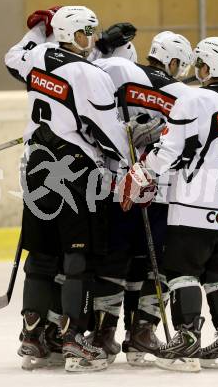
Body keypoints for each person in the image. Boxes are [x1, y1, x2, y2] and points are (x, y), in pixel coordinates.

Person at [119, 37, 218, 372]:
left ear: (206, 67)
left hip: (196, 207)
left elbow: (171, 149)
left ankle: (186, 341)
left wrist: (141, 172)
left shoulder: (194, 98)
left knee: (182, 272)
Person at [4, 5, 131, 372]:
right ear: (69, 34)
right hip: (75, 171)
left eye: (92, 31)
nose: (90, 39)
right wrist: (127, 167)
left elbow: (13, 58)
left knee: (42, 254)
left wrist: (39, 29)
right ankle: (74, 340)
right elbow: (109, 134)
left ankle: (33, 337)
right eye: (84, 32)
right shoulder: (87, 73)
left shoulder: (37, 55)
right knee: (79, 256)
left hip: (37, 165)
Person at [89, 31, 193, 366]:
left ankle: (103, 334)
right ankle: (142, 333)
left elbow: (85, 80)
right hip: (159, 187)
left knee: (114, 257)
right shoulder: (183, 93)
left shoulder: (120, 69)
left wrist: (101, 47)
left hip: (117, 182)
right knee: (154, 262)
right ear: (174, 61)